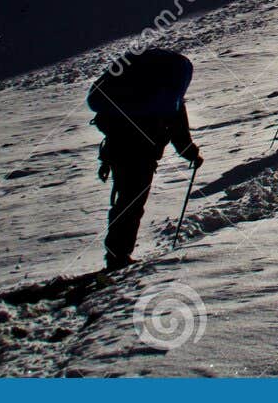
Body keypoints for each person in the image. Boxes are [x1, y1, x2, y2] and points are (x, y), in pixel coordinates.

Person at [87, 48, 203, 272]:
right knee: (131, 203)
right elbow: (179, 129)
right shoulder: (168, 93)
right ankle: (118, 256)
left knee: (125, 201)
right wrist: (191, 153)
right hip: (141, 155)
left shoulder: (140, 92)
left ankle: (116, 253)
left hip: (117, 150)